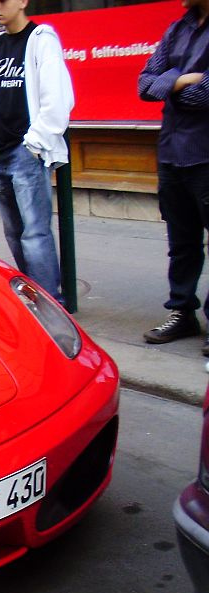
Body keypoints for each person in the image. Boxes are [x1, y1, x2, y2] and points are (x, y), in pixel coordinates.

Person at [0, 0, 73, 304]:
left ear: (23, 2)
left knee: (34, 233)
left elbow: (58, 97)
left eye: (3, 1)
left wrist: (35, 143)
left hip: (24, 150)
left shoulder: (40, 40)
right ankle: (34, 294)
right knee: (13, 231)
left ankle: (49, 302)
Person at [137, 0, 209, 354]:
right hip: (172, 153)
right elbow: (145, 85)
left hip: (206, 154)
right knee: (181, 243)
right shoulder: (177, 29)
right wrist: (181, 79)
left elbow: (206, 93)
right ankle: (183, 312)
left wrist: (170, 84)